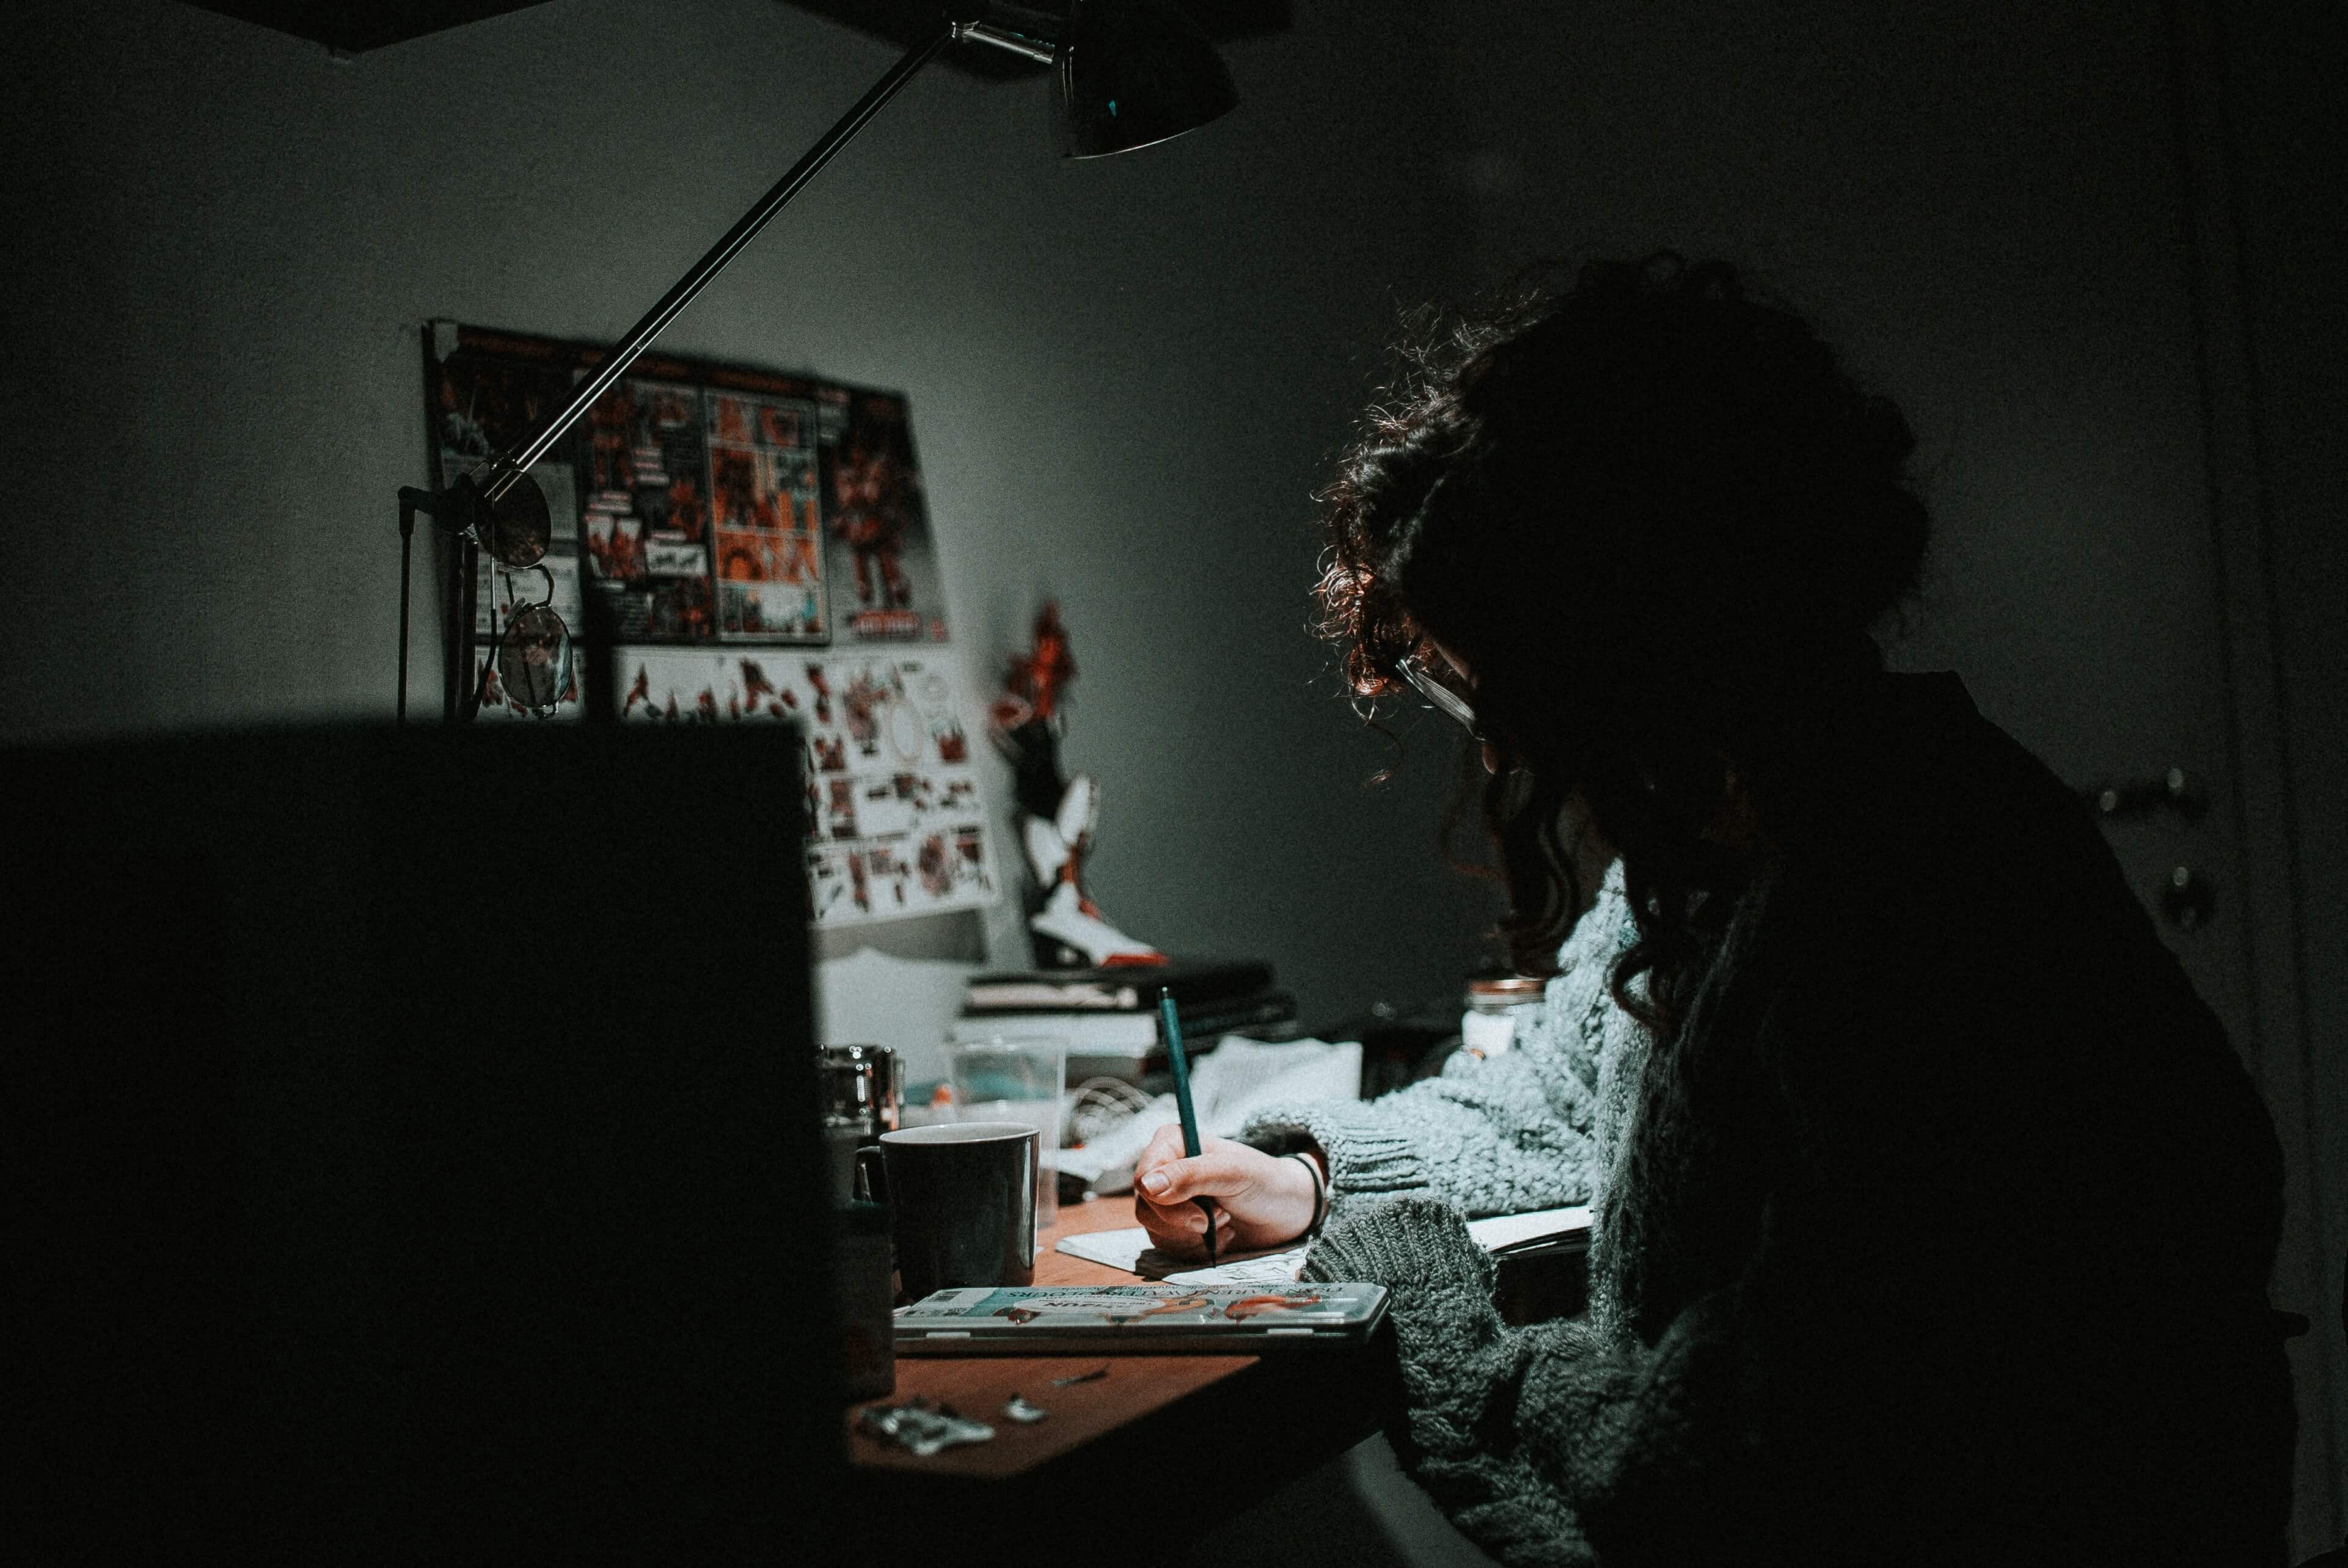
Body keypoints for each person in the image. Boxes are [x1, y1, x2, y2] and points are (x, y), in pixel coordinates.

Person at [1132, 256, 2296, 1566]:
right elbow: (1560, 1103)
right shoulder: (1720, 843)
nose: (1506, 759)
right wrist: (1311, 1173)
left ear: (1636, 636)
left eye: (1493, 692)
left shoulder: (1909, 907)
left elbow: (1704, 1478)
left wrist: (1406, 1284)